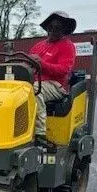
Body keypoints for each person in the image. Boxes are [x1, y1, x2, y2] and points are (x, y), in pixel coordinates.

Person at [29, 11, 77, 144]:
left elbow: (63, 70)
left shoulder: (67, 46)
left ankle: (40, 133)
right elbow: (28, 63)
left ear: (65, 30)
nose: (53, 30)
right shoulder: (38, 46)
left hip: (56, 85)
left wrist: (41, 64)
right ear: (47, 28)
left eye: (58, 28)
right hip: (35, 81)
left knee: (34, 90)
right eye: (51, 27)